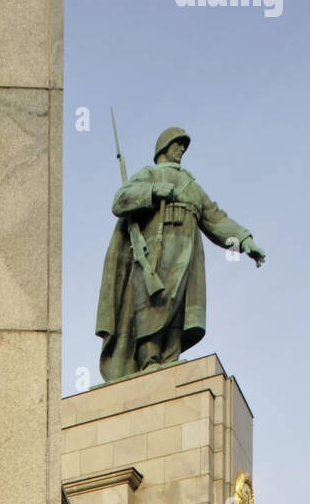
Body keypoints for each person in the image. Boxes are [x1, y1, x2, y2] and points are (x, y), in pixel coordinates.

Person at [95, 127, 265, 381]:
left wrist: (244, 240)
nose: (181, 150)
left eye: (183, 146)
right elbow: (120, 200)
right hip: (155, 251)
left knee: (179, 306)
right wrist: (153, 192)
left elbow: (216, 219)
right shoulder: (149, 174)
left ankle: (168, 358)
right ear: (163, 148)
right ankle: (149, 359)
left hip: (187, 253)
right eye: (177, 145)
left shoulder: (192, 187)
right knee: (152, 303)